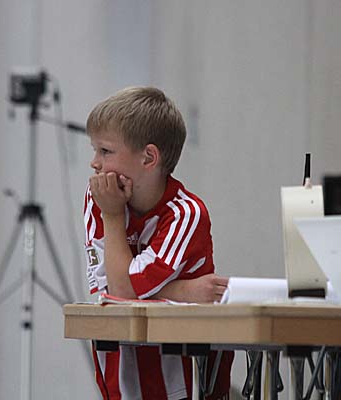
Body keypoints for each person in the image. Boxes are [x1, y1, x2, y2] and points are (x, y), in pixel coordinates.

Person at [83, 86, 233, 400]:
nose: (94, 163)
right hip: (119, 367)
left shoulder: (185, 213)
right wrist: (184, 291)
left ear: (149, 157)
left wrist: (113, 217)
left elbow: (122, 293)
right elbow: (109, 292)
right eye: (94, 150)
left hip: (179, 375)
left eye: (105, 151)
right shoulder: (101, 198)